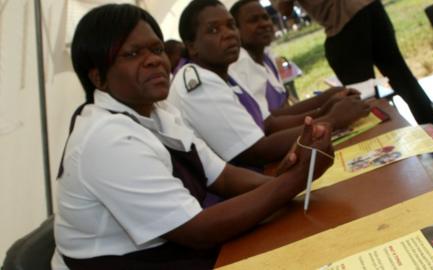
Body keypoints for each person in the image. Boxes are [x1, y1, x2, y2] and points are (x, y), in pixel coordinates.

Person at [52, 3, 334, 269]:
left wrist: (280, 184)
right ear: (98, 78)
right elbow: (197, 231)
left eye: (156, 49)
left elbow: (222, 176)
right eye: (132, 54)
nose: (153, 61)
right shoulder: (107, 138)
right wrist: (292, 181)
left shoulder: (159, 111)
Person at [168, 0, 369, 169]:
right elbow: (256, 151)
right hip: (238, 194)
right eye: (213, 30)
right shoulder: (199, 82)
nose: (229, 34)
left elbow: (269, 122)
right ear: (192, 46)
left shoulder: (220, 71)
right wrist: (332, 120)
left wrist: (325, 106)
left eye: (231, 25)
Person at [271, 0, 433, 131]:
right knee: (401, 80)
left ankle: (396, 158)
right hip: (369, 8)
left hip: (344, 23)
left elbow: (284, 8)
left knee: (363, 101)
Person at [229, 0, 359, 118]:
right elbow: (268, 122)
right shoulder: (241, 64)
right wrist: (325, 110)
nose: (264, 24)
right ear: (236, 30)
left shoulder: (266, 56)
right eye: (253, 20)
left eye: (265, 17)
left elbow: (285, 107)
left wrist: (328, 98)